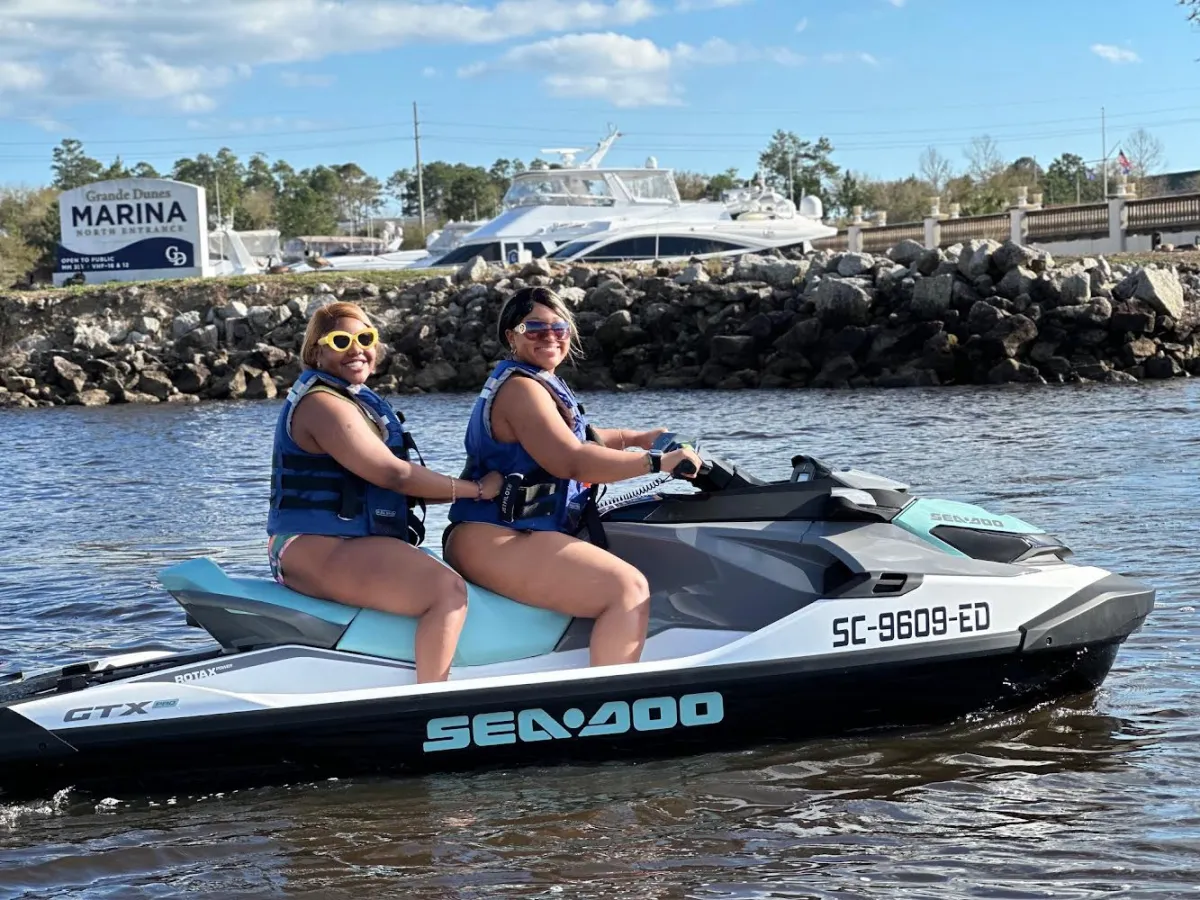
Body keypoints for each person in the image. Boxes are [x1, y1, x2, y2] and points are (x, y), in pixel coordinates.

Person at [444, 286, 703, 668]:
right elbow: (572, 461)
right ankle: (614, 697)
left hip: (518, 531)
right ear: (511, 336)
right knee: (626, 589)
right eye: (535, 328)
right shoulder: (520, 390)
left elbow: (581, 437)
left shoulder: (538, 381)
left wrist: (638, 437)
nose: (549, 336)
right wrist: (655, 463)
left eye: (559, 328)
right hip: (494, 537)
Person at [267, 301, 503, 683]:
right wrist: (477, 489)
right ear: (316, 352)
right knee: (445, 590)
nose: (356, 349)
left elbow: (398, 487)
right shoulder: (323, 405)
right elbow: (392, 475)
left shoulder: (353, 399)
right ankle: (433, 702)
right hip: (314, 544)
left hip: (338, 540)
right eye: (341, 341)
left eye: (365, 338)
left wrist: (472, 489)